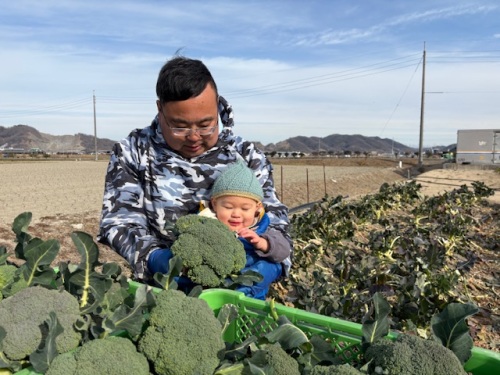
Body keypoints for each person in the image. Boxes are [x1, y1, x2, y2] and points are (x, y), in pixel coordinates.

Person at [97, 56, 292, 285]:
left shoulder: (247, 157)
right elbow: (118, 223)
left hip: (238, 289)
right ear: (160, 110)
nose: (194, 137)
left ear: (217, 106)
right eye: (180, 127)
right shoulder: (134, 152)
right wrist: (156, 259)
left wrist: (271, 265)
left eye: (205, 125)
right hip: (162, 290)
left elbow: (276, 223)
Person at [198, 160, 291, 299]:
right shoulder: (204, 224)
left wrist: (262, 243)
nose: (236, 214)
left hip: (252, 301)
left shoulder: (262, 229)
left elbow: (283, 250)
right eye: (228, 207)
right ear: (214, 204)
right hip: (211, 296)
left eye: (245, 208)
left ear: (258, 207)